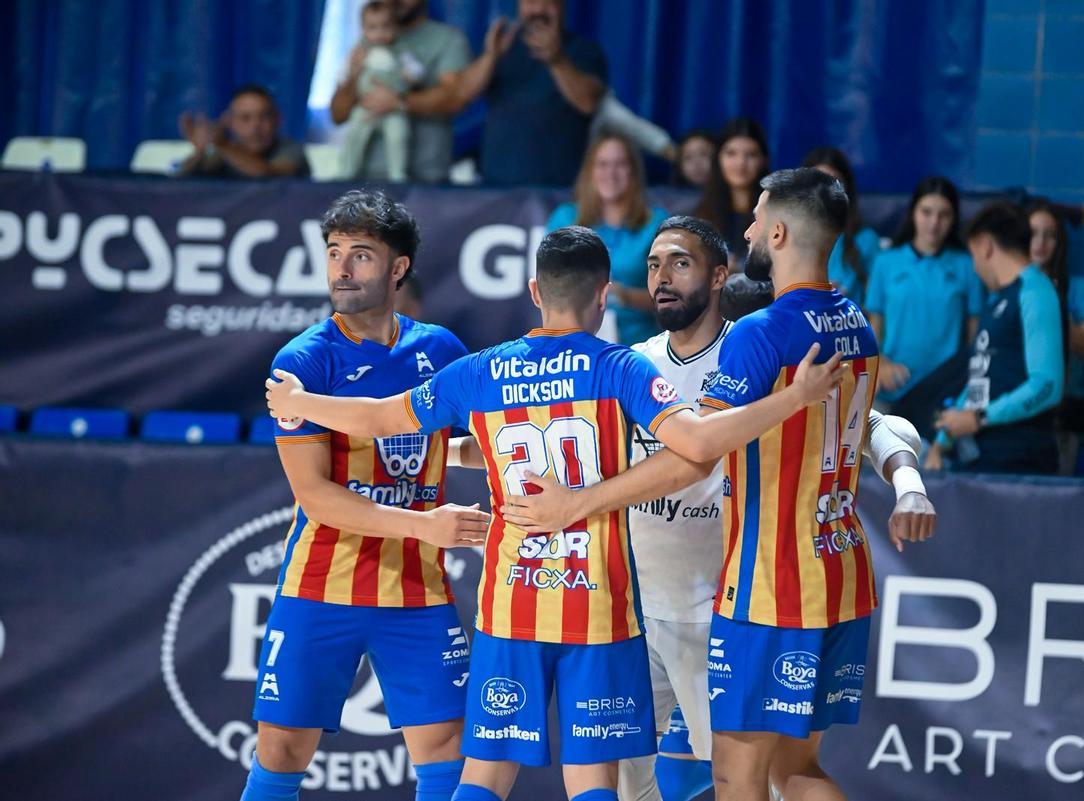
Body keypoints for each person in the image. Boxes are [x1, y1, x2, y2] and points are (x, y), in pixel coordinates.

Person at [264, 225, 851, 801]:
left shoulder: (479, 370)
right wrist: (795, 398)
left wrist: (300, 402)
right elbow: (696, 449)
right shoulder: (620, 367)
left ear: (535, 291)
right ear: (602, 296)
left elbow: (379, 419)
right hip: (596, 602)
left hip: (510, 602)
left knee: (484, 775)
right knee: (593, 780)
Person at [500, 169, 938, 801]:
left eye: (679, 263)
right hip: (679, 595)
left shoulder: (757, 339)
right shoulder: (851, 323)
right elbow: (868, 415)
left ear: (723, 270)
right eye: (652, 264)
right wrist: (910, 483)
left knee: (744, 780)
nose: (660, 277)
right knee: (775, 771)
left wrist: (575, 505)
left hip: (751, 591)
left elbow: (700, 454)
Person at [238, 189, 492, 801]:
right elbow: (316, 497)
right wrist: (425, 526)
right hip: (322, 584)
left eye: (360, 255)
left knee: (446, 754)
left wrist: (463, 455)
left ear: (398, 267)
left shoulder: (440, 350)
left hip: (417, 588)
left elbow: (468, 444)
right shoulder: (303, 361)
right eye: (333, 254)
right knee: (281, 753)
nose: (342, 270)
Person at [927, 202, 1064, 474]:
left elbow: (1048, 385)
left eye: (973, 255)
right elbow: (981, 377)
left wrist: (980, 418)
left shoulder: (1035, 291)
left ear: (985, 246)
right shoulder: (996, 300)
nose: (975, 268)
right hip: (984, 458)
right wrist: (943, 440)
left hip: (1021, 461)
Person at [865, 176, 983, 419]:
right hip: (892, 393)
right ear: (913, 213)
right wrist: (880, 364)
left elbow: (974, 339)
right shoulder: (885, 263)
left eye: (944, 215)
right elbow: (873, 333)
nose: (934, 223)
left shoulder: (967, 266)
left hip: (944, 398)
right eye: (926, 212)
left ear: (954, 219)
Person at [455, 0, 607, 186]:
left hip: (559, 188)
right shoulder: (503, 46)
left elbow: (588, 103)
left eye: (548, 2)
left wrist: (556, 60)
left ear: (562, 6)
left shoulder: (583, 49)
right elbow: (462, 95)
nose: (538, 9)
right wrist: (491, 56)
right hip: (497, 187)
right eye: (531, 2)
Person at [330, 0, 472, 184]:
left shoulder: (447, 40)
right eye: (373, 27)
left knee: (397, 132)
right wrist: (353, 77)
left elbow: (455, 99)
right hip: (364, 182)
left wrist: (398, 102)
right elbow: (337, 114)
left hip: (425, 181)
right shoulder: (365, 43)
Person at [546, 134, 669, 345]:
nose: (610, 173)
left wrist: (626, 296)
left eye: (620, 164)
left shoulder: (656, 222)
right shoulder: (565, 218)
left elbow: (673, 295)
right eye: (602, 164)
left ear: (633, 172)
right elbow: (548, 287)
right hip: (576, 342)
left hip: (639, 345)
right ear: (590, 172)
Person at [337, 1, 415, 181]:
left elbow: (415, 71)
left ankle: (398, 174)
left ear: (394, 28)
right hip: (366, 106)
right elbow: (344, 75)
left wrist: (410, 76)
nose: (379, 33)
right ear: (363, 29)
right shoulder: (359, 52)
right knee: (355, 134)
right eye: (373, 27)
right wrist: (350, 74)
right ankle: (346, 172)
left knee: (399, 135)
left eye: (385, 27)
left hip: (394, 109)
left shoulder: (400, 51)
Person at [802, 147, 881, 306]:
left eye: (833, 181)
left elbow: (877, 309)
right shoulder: (788, 234)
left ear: (847, 188)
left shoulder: (866, 240)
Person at [178, 84, 310, 178]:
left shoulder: (291, 150)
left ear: (277, 120)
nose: (256, 126)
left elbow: (268, 175)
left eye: (264, 117)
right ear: (230, 122)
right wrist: (200, 150)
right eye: (245, 118)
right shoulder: (220, 153)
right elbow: (178, 181)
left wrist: (221, 143)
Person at [1027, 198, 1084, 364]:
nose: (1040, 242)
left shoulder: (1078, 287)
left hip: (1065, 385)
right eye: (1033, 233)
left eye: (1050, 235)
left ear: (1059, 243)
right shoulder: (1011, 285)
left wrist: (1054, 307)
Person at [695, 119, 770, 266]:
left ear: (763, 160)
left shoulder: (777, 212)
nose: (741, 162)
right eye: (731, 153)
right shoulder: (702, 214)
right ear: (718, 158)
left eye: (751, 155)